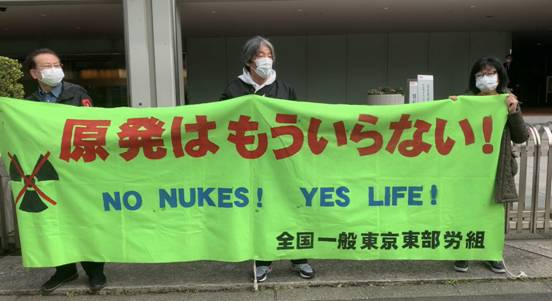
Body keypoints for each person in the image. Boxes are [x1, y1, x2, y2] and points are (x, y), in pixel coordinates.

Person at [220, 36, 314, 282]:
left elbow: (298, 121)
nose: (266, 60)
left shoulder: (285, 89)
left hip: (284, 160)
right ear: (249, 60)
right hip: (251, 163)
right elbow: (222, 124)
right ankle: (262, 261)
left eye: (269, 55)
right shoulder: (234, 90)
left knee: (292, 205)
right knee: (260, 209)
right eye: (261, 55)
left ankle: (299, 258)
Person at [23, 48, 107, 294]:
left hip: (78, 171)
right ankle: (64, 270)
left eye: (57, 64)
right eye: (47, 66)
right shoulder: (28, 105)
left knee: (85, 218)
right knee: (54, 221)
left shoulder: (76, 93)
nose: (54, 70)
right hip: (47, 173)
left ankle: (95, 271)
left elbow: (91, 128)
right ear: (34, 73)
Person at [450, 56, 529, 274]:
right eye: (480, 74)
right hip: (470, 169)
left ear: (499, 76)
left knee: (494, 212)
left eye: (490, 73)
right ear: (474, 78)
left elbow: (521, 137)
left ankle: (492, 254)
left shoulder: (507, 101)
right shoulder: (466, 101)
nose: (485, 78)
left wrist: (513, 111)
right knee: (467, 210)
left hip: (497, 169)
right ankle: (463, 251)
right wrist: (451, 108)